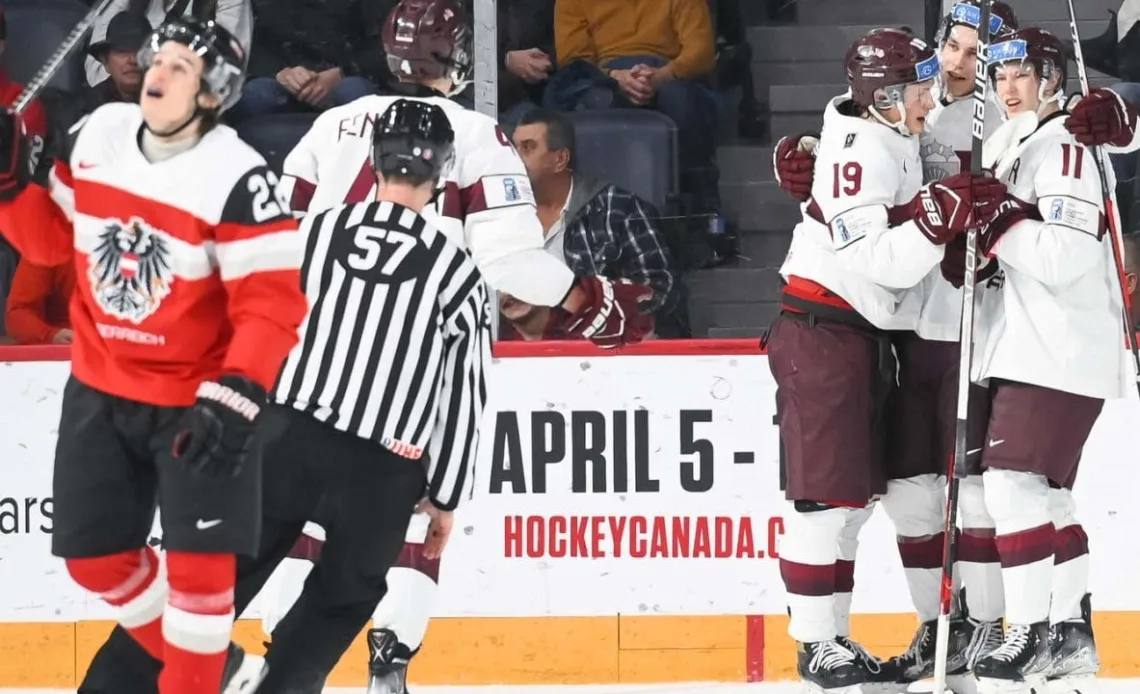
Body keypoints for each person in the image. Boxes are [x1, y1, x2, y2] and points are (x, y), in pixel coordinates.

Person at [0, 15, 307, 694]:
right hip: (101, 387)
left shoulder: (239, 178)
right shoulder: (98, 135)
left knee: (201, 584)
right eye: (157, 59)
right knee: (95, 560)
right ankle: (220, 669)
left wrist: (239, 391)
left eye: (179, 68)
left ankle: (199, 674)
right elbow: (53, 245)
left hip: (198, 403)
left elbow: (272, 305)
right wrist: (10, 188)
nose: (156, 74)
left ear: (210, 95)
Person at [773, 3, 1020, 687]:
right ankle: (820, 642)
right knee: (833, 499)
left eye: (981, 54)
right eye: (954, 48)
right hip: (848, 327)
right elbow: (875, 243)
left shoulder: (915, 121)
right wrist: (930, 217)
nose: (957, 65)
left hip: (910, 331)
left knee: (929, 496)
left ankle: (955, 631)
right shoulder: (893, 124)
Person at [239, 98, 491, 693]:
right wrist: (447, 496)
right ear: (443, 170)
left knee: (214, 588)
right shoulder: (458, 269)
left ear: (374, 160)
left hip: (287, 439)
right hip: (381, 471)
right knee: (339, 602)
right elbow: (464, 394)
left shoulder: (313, 232)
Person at [967, 27, 1130, 693]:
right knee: (1043, 496)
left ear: (1053, 77)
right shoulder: (1026, 141)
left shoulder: (1063, 144)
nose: (1008, 89)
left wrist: (999, 221)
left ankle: (1031, 632)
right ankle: (1066, 635)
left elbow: (1066, 255)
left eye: (1023, 75)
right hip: (1043, 346)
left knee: (1010, 486)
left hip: (1056, 346)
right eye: (999, 76)